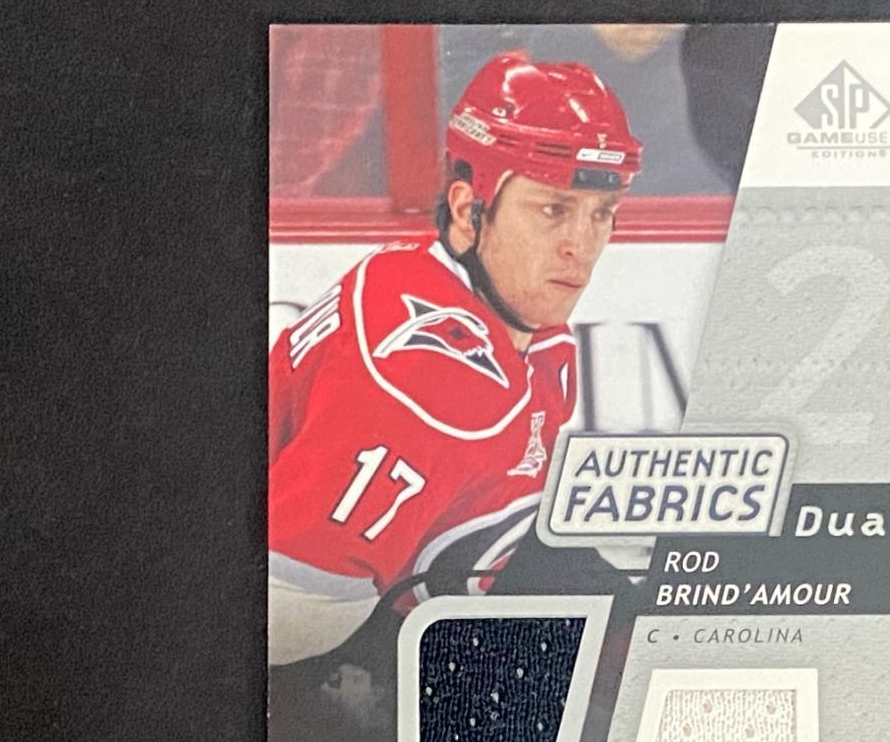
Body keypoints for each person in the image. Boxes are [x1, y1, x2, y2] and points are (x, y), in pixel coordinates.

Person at [267, 52, 643, 666]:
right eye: (553, 210)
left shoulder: (449, 286)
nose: (582, 246)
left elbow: (490, 535)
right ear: (470, 211)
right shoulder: (433, 382)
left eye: (601, 213)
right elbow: (287, 617)